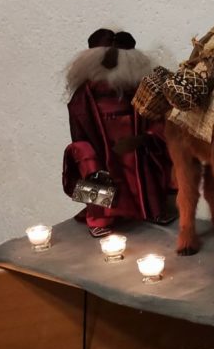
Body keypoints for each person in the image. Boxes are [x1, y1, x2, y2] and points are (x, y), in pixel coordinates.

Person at [63, 29, 173, 237]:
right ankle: (98, 217)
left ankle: (150, 209)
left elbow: (156, 118)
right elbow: (79, 126)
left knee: (142, 168)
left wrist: (145, 137)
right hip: (99, 144)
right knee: (93, 167)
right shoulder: (85, 95)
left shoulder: (137, 90)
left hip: (133, 143)